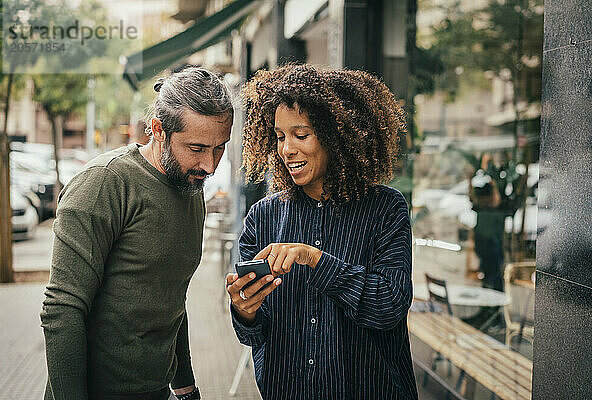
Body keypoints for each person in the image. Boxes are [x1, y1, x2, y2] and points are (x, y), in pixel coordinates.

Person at [225, 64, 418, 399]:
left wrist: (315, 260)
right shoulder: (262, 218)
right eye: (281, 136)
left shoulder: (385, 209)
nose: (287, 149)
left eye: (301, 135)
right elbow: (254, 334)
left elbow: (389, 306)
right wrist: (245, 309)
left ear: (335, 134)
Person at [40, 67, 233, 400]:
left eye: (219, 148)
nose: (210, 166)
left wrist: (185, 386)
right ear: (158, 129)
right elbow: (63, 307)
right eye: (197, 148)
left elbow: (169, 295)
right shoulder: (105, 183)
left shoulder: (191, 187)